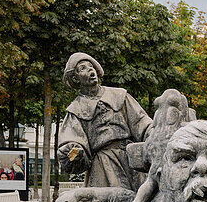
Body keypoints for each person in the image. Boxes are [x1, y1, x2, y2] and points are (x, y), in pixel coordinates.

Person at [58, 54, 152, 190]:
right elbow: (72, 142)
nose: (90, 70)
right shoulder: (75, 110)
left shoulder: (120, 95)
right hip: (103, 166)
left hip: (131, 159)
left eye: (91, 67)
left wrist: (154, 134)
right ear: (75, 78)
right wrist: (74, 152)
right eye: (83, 68)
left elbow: (141, 122)